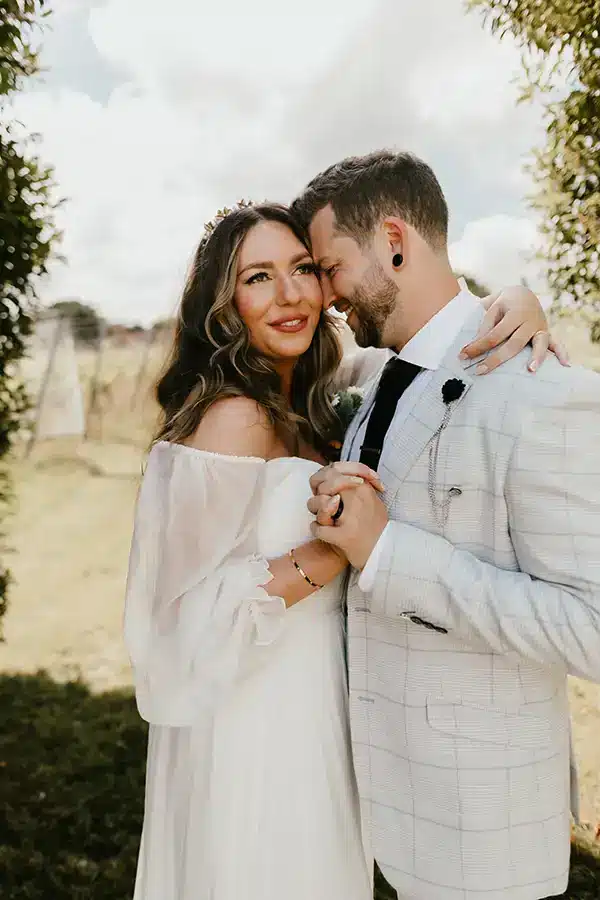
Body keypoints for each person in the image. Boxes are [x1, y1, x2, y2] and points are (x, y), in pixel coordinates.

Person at [123, 199, 561, 900]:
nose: (291, 294)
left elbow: (427, 343)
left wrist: (515, 303)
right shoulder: (232, 417)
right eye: (258, 278)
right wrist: (332, 555)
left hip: (318, 708)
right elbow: (180, 620)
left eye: (303, 268)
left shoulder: (318, 396)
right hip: (253, 730)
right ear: (223, 303)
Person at [297, 150, 600, 900]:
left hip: (482, 839)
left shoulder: (541, 395)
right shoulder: (381, 374)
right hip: (386, 818)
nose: (325, 295)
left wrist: (390, 553)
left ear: (394, 239)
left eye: (330, 267)